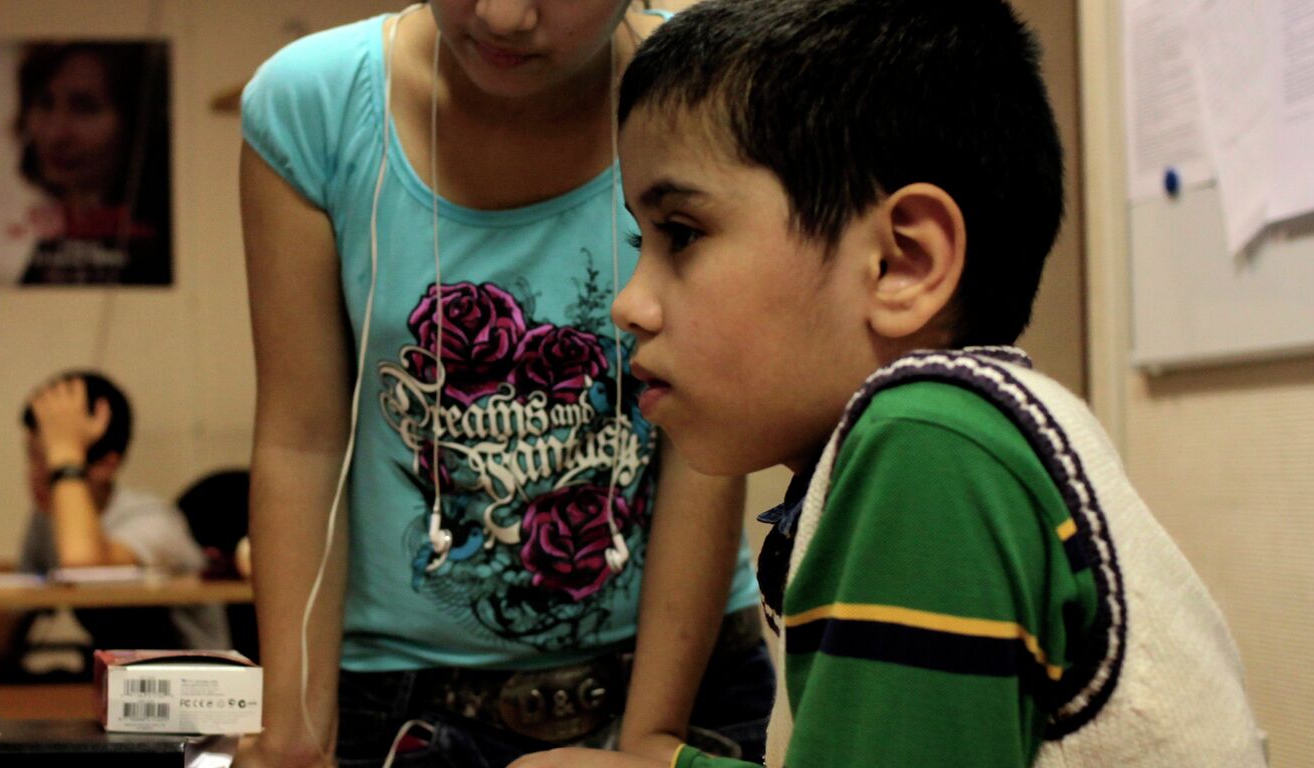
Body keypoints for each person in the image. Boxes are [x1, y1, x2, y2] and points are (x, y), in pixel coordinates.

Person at [519, 1, 1267, 765]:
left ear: (902, 263)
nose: (629, 304)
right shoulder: (953, 433)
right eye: (638, 245)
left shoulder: (925, 447)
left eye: (681, 234)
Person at [237, 2, 772, 766]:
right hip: (392, 696)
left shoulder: (712, 85)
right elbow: (302, 437)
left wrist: (652, 738)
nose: (503, 16)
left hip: (674, 675)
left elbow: (704, 435)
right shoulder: (316, 104)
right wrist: (293, 719)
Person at [17, 372, 228, 652]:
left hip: (193, 680)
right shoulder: (47, 521)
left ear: (106, 464)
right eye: (33, 455)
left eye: (51, 459)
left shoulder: (154, 521)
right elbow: (11, 622)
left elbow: (85, 571)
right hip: (116, 676)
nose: (36, 475)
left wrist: (67, 458)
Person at [0, 44, 172, 286]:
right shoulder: (53, 238)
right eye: (45, 103)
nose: (56, 134)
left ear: (136, 123)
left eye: (85, 108)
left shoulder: (160, 247)